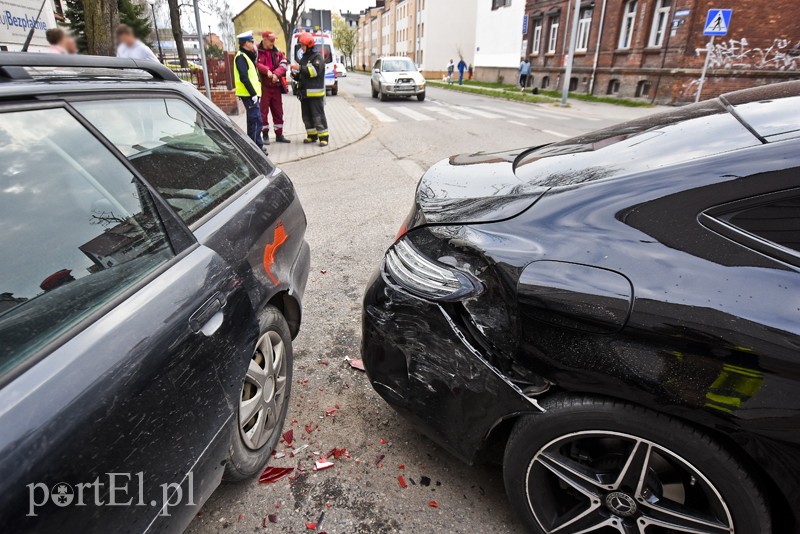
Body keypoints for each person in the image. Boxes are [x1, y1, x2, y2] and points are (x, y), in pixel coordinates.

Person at [295, 32, 329, 147]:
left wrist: (299, 67)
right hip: (305, 94)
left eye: (303, 45)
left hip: (315, 95)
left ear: (309, 45)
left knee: (317, 116)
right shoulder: (304, 58)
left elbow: (313, 72)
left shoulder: (317, 58)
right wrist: (295, 75)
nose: (301, 48)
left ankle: (324, 137)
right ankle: (311, 136)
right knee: (307, 116)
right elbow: (303, 73)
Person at [234, 31, 266, 153]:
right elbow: (244, 77)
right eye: (251, 42)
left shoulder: (246, 56)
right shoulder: (241, 57)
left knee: (253, 121)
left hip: (250, 95)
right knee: (256, 121)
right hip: (249, 95)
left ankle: (254, 147)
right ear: (246, 43)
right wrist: (253, 94)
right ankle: (256, 148)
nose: (253, 44)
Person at [256, 30, 290, 145]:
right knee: (263, 112)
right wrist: (266, 71)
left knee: (278, 111)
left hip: (275, 87)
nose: (273, 43)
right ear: (264, 39)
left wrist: (276, 74)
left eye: (274, 40)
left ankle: (279, 135)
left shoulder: (277, 52)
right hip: (263, 87)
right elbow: (255, 63)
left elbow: (284, 64)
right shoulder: (256, 51)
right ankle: (265, 135)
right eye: (271, 41)